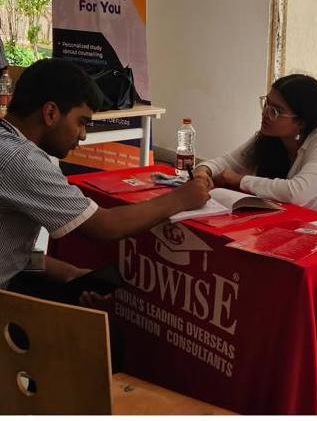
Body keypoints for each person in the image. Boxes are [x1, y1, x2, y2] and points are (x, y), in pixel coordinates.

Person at [0, 58, 211, 300]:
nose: (82, 135)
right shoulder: (23, 160)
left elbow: (13, 251)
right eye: (81, 122)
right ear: (51, 113)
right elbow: (105, 225)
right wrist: (181, 199)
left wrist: (69, 273)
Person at [194, 73, 317, 223]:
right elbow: (228, 162)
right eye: (266, 104)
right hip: (297, 224)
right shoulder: (270, 138)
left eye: (275, 111)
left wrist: (239, 180)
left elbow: (296, 193)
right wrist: (202, 172)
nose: (265, 114)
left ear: (301, 122)